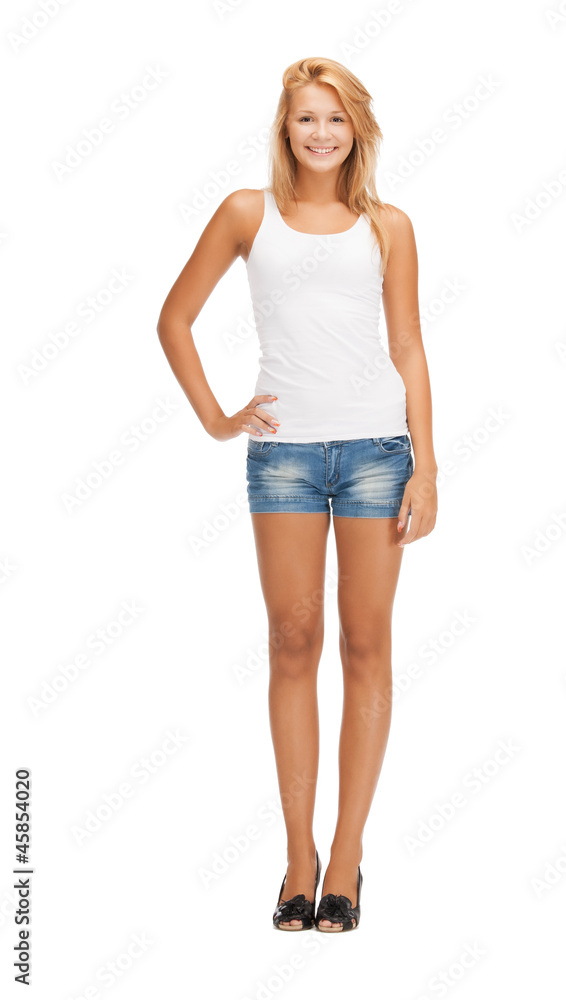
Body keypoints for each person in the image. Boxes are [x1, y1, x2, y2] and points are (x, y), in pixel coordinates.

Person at [156, 56, 438, 932]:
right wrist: (217, 420)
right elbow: (174, 318)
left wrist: (427, 467)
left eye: (336, 118)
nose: (321, 133)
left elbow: (409, 345)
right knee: (291, 642)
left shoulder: (388, 225)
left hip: (376, 453)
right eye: (307, 117)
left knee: (365, 644)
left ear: (359, 129)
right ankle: (297, 858)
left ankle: (346, 857)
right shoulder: (249, 213)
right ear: (285, 127)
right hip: (282, 456)